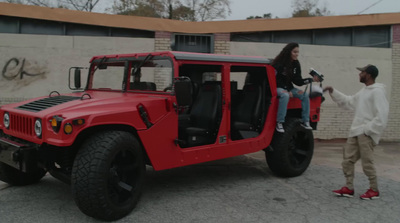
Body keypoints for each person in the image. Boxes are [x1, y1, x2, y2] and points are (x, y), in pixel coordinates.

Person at [324, 64, 389, 200]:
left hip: (366, 133)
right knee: (347, 160)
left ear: (369, 75)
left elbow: (382, 115)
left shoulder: (377, 91)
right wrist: (333, 91)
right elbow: (349, 101)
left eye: (362, 72)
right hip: (356, 131)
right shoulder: (364, 91)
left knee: (367, 162)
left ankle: (373, 189)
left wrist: (368, 130)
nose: (359, 74)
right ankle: (348, 188)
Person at [272, 42, 319, 133]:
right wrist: (285, 89)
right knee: (285, 96)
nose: (297, 54)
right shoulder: (278, 63)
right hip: (278, 88)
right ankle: (280, 122)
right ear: (288, 52)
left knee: (304, 95)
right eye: (294, 52)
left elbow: (297, 81)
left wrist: (311, 80)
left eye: (297, 52)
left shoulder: (296, 64)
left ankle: (305, 121)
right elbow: (275, 79)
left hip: (289, 88)